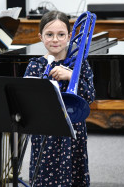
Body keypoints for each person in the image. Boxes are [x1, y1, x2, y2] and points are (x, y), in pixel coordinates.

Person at [24, 10, 95, 186]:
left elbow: (90, 96)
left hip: (73, 130)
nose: (55, 39)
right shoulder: (35, 64)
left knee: (73, 172)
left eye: (61, 34)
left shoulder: (80, 65)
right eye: (49, 34)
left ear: (69, 36)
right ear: (40, 36)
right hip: (45, 131)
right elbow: (26, 98)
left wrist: (72, 77)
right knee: (44, 172)